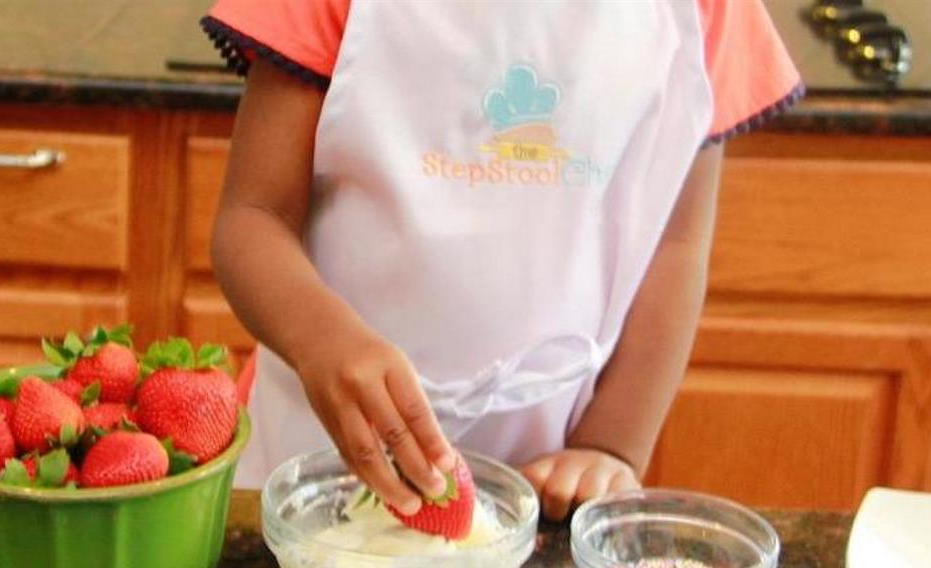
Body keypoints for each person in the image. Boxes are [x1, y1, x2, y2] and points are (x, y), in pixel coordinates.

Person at [203, 0, 801, 520]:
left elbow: (675, 244)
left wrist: (613, 446)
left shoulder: (702, 12)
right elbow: (254, 217)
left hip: (542, 491)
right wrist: (323, 343)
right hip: (310, 464)